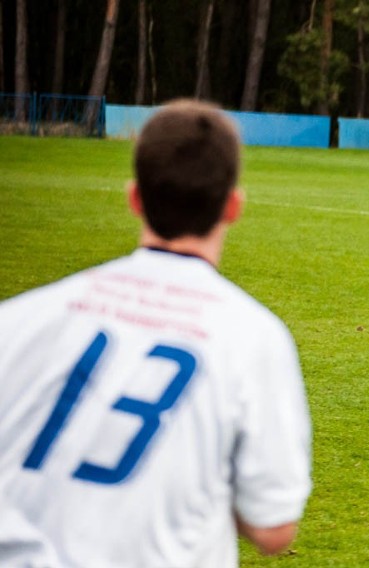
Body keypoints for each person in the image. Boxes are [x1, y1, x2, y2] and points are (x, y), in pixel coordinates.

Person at [0, 99, 312, 567]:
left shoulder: (23, 316)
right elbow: (273, 528)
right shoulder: (253, 337)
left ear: (134, 198)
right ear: (233, 206)